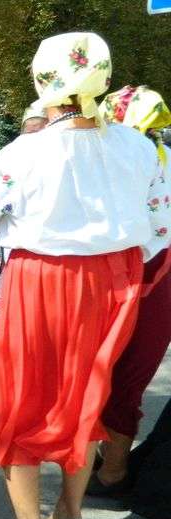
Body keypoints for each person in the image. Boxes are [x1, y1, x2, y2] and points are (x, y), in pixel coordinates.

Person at [0, 32, 171, 519]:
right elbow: (158, 223)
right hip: (114, 280)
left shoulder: (24, 151)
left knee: (22, 398)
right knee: (86, 394)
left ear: (43, 84)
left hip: (42, 276)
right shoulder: (138, 145)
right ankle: (68, 512)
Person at [85, 85, 171, 497]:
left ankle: (111, 471)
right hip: (149, 276)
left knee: (108, 375)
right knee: (122, 376)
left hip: (130, 277)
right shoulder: (152, 157)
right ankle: (108, 466)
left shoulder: (110, 160)